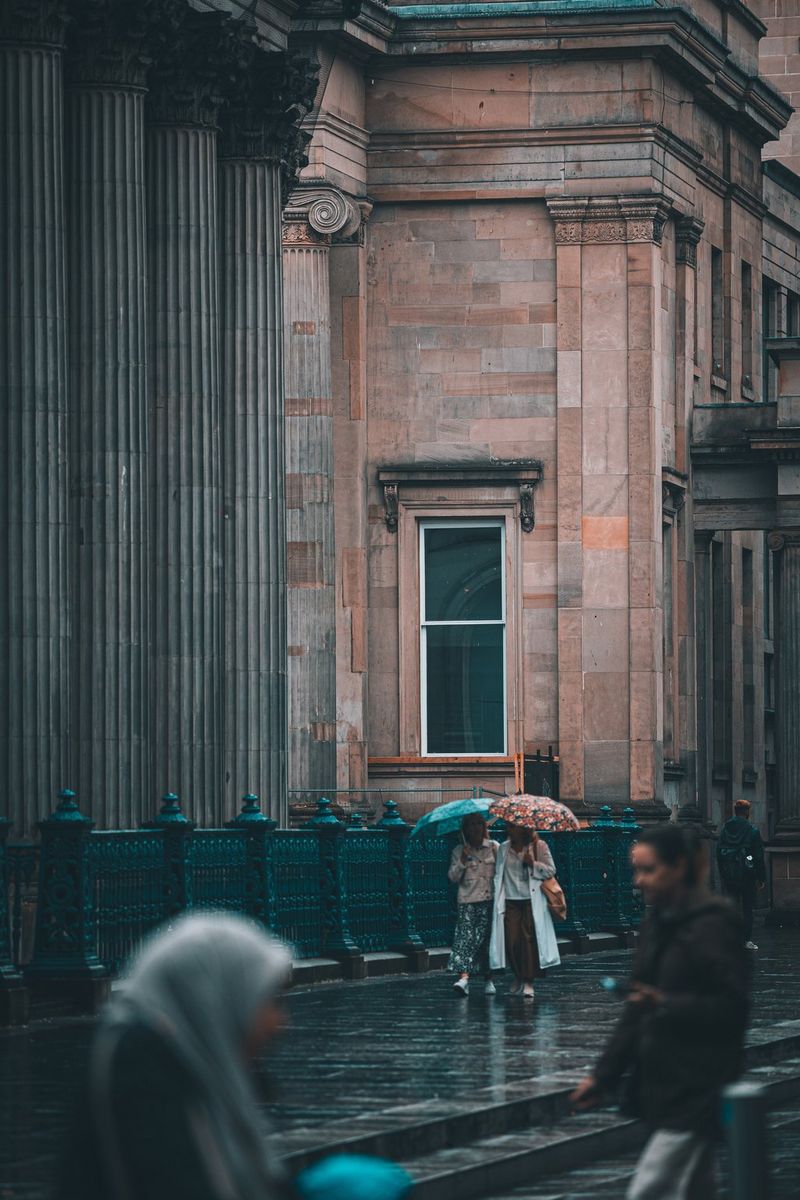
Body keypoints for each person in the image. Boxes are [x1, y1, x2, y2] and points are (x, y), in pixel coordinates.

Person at [54, 912, 293, 1200]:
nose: (278, 1021)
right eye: (270, 1001)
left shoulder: (197, 1069)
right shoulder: (145, 1079)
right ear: (220, 999)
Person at [570, 825, 750, 1200]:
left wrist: (664, 1004)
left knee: (650, 1189)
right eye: (636, 870)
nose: (638, 881)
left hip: (699, 1082)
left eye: (648, 870)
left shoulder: (713, 922)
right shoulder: (656, 922)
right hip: (663, 1083)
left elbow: (731, 1006)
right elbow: (635, 1008)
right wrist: (603, 1076)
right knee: (696, 1188)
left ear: (679, 866)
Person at [489, 823, 560, 999]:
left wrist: (533, 864)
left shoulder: (539, 846)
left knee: (528, 941)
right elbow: (498, 874)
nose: (510, 830)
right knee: (511, 941)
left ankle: (528, 981)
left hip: (530, 900)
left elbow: (551, 869)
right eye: (509, 827)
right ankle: (518, 975)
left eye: (513, 827)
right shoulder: (504, 848)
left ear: (523, 829)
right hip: (510, 901)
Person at [447, 813, 499, 995]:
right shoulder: (458, 850)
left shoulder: (494, 848)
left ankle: (488, 978)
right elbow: (453, 877)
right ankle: (464, 978)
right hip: (467, 901)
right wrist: (462, 859)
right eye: (471, 824)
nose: (476, 828)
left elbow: (502, 873)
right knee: (465, 940)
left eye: (479, 824)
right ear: (465, 829)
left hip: (488, 900)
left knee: (485, 941)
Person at [716, 798, 766, 950]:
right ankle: (746, 940)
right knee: (747, 908)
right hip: (747, 874)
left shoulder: (725, 829)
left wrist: (723, 872)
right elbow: (758, 856)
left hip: (729, 874)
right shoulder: (752, 831)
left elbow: (718, 851)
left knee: (731, 905)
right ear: (747, 812)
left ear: (735, 812)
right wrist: (761, 877)